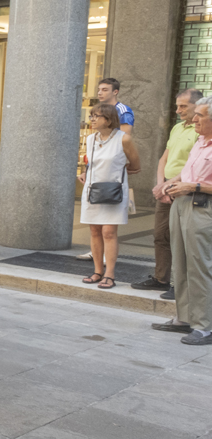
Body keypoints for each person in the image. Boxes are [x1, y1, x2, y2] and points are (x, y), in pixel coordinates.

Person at [153, 97, 212, 344]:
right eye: (195, 113)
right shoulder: (200, 141)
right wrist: (171, 182)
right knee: (181, 263)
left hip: (202, 207)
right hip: (182, 203)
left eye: (200, 115)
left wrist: (193, 185)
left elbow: (196, 181)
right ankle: (185, 318)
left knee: (200, 267)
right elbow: (187, 170)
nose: (194, 118)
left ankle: (205, 326)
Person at [133, 89, 202, 299]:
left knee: (184, 240)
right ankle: (161, 278)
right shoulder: (177, 128)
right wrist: (160, 184)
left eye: (183, 106)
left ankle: (180, 285)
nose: (178, 110)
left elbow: (194, 165)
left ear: (197, 106)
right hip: (167, 189)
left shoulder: (202, 130)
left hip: (185, 189)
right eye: (177, 105)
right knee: (161, 235)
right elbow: (164, 158)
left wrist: (171, 184)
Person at [78, 103, 141, 290]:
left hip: (113, 191)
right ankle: (97, 271)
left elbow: (136, 166)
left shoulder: (124, 139)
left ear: (109, 119)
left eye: (97, 116)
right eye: (92, 116)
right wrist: (85, 173)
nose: (93, 119)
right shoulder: (90, 139)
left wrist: (115, 174)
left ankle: (110, 274)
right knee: (95, 231)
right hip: (92, 190)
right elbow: (91, 163)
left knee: (109, 232)